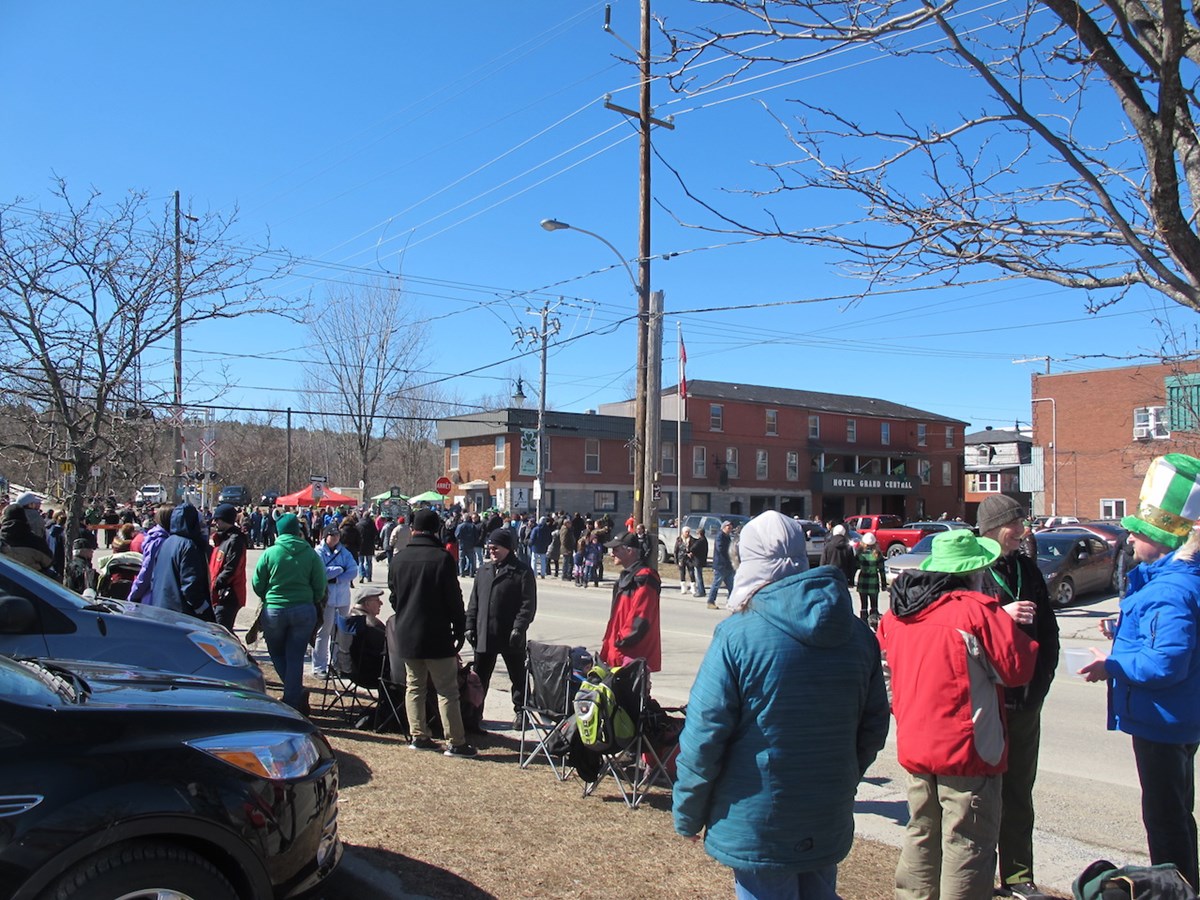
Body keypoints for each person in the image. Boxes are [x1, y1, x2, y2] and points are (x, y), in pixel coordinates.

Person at [674, 511, 889, 898]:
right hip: (825, 808)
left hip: (759, 818)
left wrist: (688, 812)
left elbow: (703, 735)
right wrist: (841, 779)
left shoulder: (737, 636)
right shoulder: (857, 634)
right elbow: (873, 727)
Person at [879, 529, 1039, 900]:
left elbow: (886, 672)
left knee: (921, 832)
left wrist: (904, 708)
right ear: (974, 571)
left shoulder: (898, 615)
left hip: (918, 740)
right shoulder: (976, 612)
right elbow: (1017, 669)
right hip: (968, 747)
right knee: (967, 841)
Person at [1080, 453, 1200, 891]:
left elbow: (1167, 662)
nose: (1129, 536)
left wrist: (1111, 664)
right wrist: (1122, 629)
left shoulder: (1169, 590)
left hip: (1163, 720)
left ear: (1166, 540)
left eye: (1141, 531)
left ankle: (1175, 889)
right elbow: (1168, 639)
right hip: (1176, 717)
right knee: (1175, 811)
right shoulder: (1172, 581)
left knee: (1166, 820)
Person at [975, 493, 1060, 898]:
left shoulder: (1027, 567)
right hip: (987, 701)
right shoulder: (972, 568)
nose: (1022, 533)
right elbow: (956, 627)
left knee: (1019, 792)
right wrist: (996, 615)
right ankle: (975, 874)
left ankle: (1018, 875)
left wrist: (1041, 683)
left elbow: (1049, 630)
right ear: (992, 528)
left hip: (1026, 700)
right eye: (1015, 525)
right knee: (981, 794)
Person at [387, 507, 477, 758]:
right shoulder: (442, 558)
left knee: (414, 687)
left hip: (407, 632)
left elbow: (394, 598)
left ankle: (418, 735)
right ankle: (456, 742)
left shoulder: (399, 559)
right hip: (437, 633)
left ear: (413, 529)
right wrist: (460, 626)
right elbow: (454, 598)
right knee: (447, 689)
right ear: (436, 529)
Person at [252, 513, 326, 711]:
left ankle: (294, 696)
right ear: (297, 530)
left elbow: (257, 582)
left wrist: (267, 596)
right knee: (296, 655)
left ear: (279, 531)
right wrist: (313, 598)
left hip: (275, 609)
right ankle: (294, 695)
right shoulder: (310, 553)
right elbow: (320, 583)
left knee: (276, 652)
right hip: (304, 608)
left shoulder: (271, 553)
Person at [466, 528, 537, 729]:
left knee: (518, 677)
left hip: (510, 635)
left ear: (507, 548)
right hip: (484, 634)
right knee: (479, 678)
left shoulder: (522, 571)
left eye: (495, 547)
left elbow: (528, 604)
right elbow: (474, 602)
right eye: (489, 548)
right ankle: (474, 713)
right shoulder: (484, 570)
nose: (491, 551)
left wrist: (519, 628)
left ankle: (522, 713)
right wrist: (470, 625)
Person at [600, 531, 662, 672]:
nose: (611, 554)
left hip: (630, 656)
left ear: (629, 551)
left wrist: (620, 641)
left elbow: (640, 617)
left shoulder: (645, 578)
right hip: (618, 653)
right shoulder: (628, 577)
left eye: (616, 549)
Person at [149, 503, 214, 621]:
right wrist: (202, 608)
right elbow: (190, 585)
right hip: (181, 615)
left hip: (161, 608)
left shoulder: (167, 542)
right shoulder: (188, 546)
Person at [314, 525, 357, 678]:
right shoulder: (318, 552)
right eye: (332, 535)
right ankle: (319, 666)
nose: (336, 538)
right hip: (327, 598)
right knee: (324, 632)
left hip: (343, 597)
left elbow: (353, 570)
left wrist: (337, 577)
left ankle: (337, 664)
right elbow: (321, 572)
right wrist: (338, 569)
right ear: (326, 536)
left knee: (341, 633)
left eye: (337, 535)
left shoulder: (344, 552)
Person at [207, 503, 248, 633]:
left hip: (229, 595)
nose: (215, 523)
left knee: (222, 633)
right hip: (218, 595)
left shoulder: (235, 540)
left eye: (217, 519)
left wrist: (216, 584)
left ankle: (237, 653)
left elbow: (232, 569)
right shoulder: (222, 540)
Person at [128, 505, 171, 603]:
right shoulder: (158, 541)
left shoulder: (163, 538)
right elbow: (147, 569)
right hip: (153, 595)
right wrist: (134, 594)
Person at [853, 531, 886, 627]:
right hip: (874, 581)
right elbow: (882, 571)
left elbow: (855, 567)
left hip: (862, 580)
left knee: (863, 605)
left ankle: (863, 624)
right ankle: (874, 623)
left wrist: (850, 580)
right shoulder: (878, 554)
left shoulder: (859, 554)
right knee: (874, 604)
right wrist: (883, 584)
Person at [706, 520, 736, 610]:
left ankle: (731, 601)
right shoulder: (720, 536)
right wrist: (729, 553)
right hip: (721, 565)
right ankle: (710, 601)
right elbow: (720, 549)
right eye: (728, 526)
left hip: (728, 565)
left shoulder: (728, 537)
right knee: (716, 584)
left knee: (731, 586)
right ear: (723, 527)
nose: (730, 528)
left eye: (731, 527)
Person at [357, 513, 379, 583]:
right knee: (369, 562)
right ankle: (368, 576)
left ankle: (361, 575)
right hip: (370, 545)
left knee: (361, 562)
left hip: (361, 545)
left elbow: (356, 535)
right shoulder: (372, 524)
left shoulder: (359, 524)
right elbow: (376, 534)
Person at [675, 526, 695, 594]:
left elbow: (694, 549)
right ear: (683, 532)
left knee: (691, 572)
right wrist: (676, 561)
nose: (687, 533)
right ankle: (683, 588)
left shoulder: (692, 540)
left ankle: (693, 588)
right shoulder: (679, 540)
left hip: (690, 559)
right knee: (682, 573)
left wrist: (692, 553)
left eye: (688, 532)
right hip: (681, 558)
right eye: (686, 532)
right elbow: (676, 550)